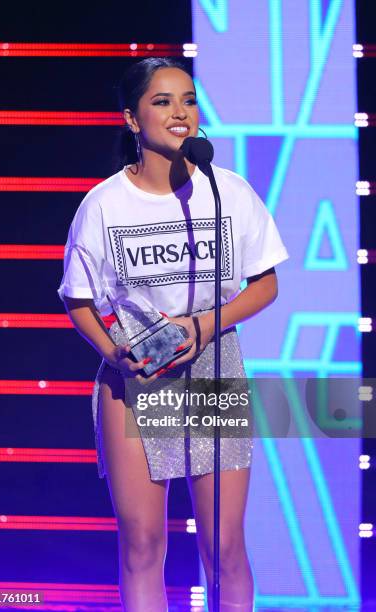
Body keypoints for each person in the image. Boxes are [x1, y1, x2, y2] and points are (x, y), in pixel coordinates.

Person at [58, 57, 289, 612]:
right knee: (142, 543)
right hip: (133, 383)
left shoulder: (226, 192)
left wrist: (203, 325)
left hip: (211, 374)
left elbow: (266, 286)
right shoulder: (104, 204)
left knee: (224, 546)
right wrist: (113, 350)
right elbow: (76, 298)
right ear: (132, 121)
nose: (180, 112)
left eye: (187, 99)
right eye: (162, 102)